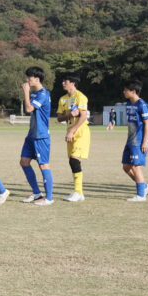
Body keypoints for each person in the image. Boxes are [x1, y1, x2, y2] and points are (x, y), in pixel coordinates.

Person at [19, 66, 54, 206]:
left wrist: (26, 92)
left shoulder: (43, 94)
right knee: (24, 161)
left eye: (29, 77)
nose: (27, 80)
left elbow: (28, 109)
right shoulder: (34, 93)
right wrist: (29, 93)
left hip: (41, 136)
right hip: (32, 134)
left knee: (43, 165)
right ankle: (37, 193)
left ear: (37, 79)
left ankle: (49, 198)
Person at [57, 74, 90, 202]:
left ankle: (78, 192)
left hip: (81, 132)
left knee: (74, 161)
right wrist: (69, 115)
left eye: (65, 81)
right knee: (72, 162)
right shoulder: (62, 99)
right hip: (70, 133)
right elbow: (59, 118)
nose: (63, 83)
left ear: (73, 83)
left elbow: (83, 116)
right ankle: (79, 193)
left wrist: (72, 130)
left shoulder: (80, 97)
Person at [122, 80, 148, 202]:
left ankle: (141, 195)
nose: (123, 92)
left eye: (125, 90)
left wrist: (145, 141)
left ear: (133, 91)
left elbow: (147, 124)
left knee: (135, 166)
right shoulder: (128, 103)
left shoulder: (142, 105)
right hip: (130, 140)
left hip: (139, 141)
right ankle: (144, 186)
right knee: (126, 166)